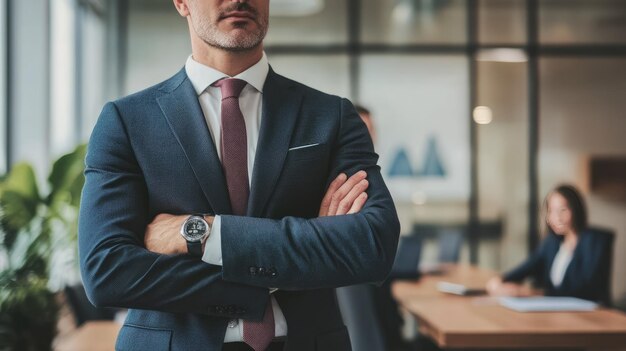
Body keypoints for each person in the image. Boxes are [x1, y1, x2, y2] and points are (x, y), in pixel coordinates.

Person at [78, 0, 400, 350]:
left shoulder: (332, 117)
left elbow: (373, 245)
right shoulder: (126, 122)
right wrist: (301, 257)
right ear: (181, 3)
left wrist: (202, 233)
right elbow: (107, 272)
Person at [486, 184, 613, 306]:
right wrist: (501, 281)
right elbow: (528, 267)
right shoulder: (553, 242)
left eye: (563, 210)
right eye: (551, 211)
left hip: (592, 314)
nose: (557, 217)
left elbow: (586, 288)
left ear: (576, 209)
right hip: (558, 312)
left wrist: (534, 293)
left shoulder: (595, 241)